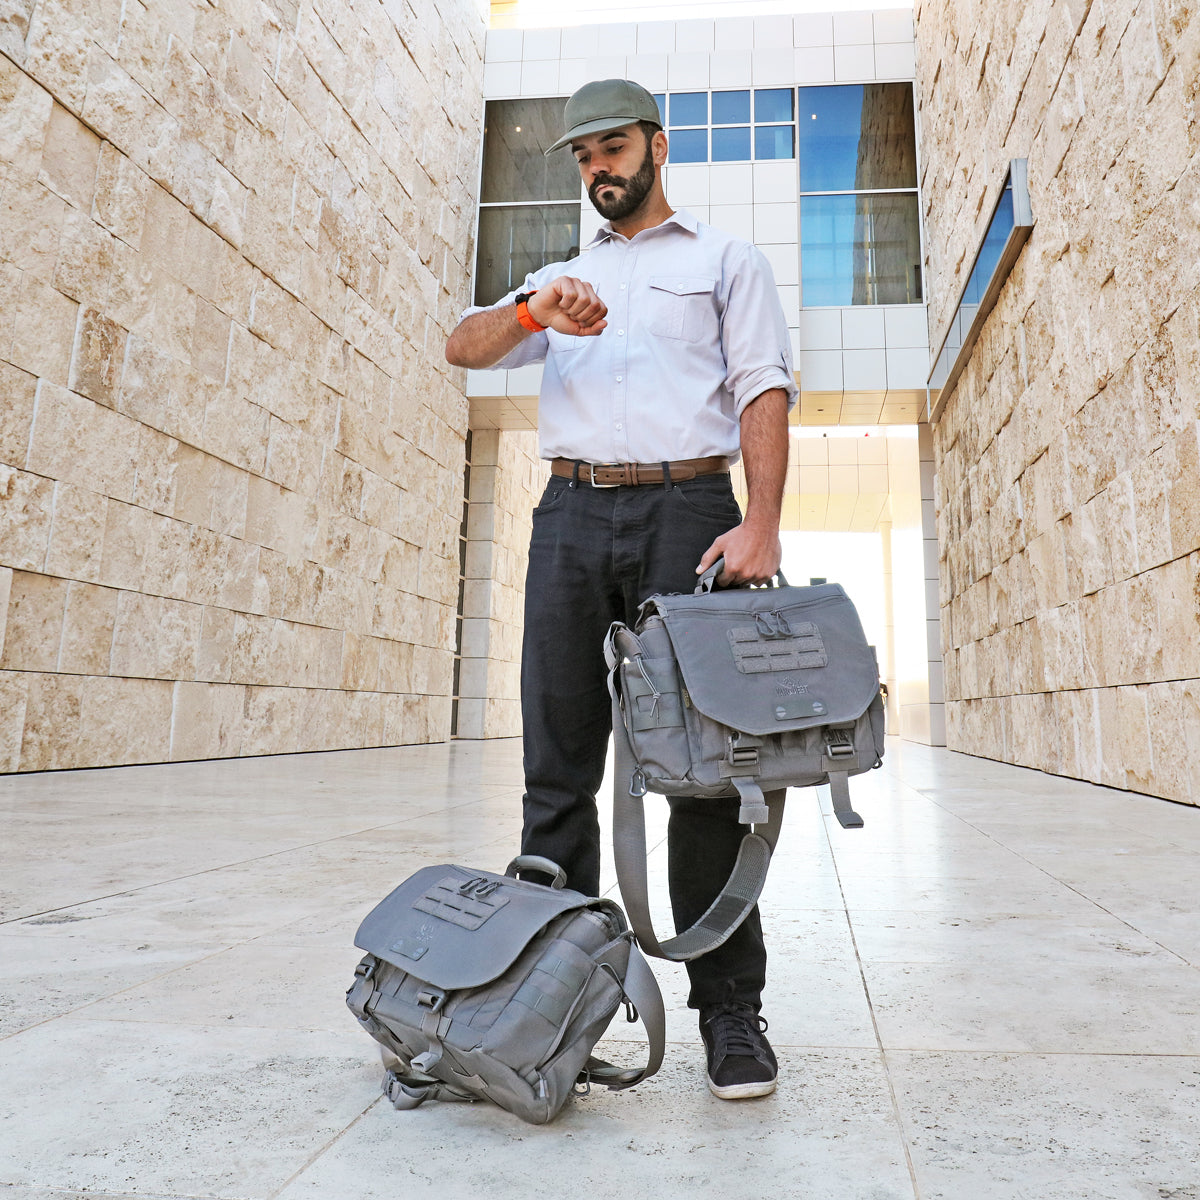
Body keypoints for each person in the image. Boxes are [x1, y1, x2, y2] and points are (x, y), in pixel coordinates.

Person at [446, 79, 797, 1101]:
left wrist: (761, 522)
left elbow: (764, 386)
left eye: (612, 147)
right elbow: (462, 346)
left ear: (656, 145)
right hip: (569, 514)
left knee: (703, 770)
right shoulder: (559, 277)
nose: (598, 167)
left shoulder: (724, 260)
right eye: (582, 156)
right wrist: (528, 309)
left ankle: (730, 1013)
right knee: (556, 767)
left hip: (689, 513)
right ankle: (548, 1012)